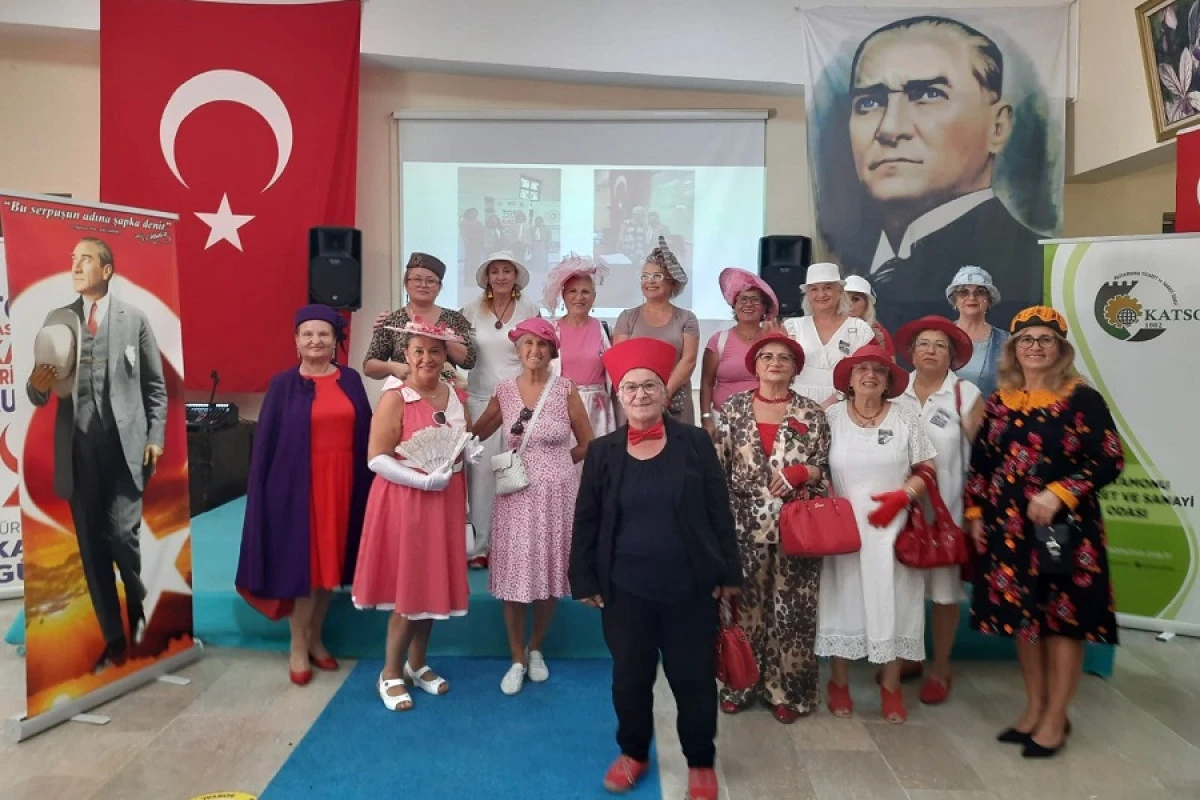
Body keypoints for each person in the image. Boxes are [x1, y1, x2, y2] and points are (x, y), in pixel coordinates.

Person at [571, 337, 740, 800]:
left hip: (691, 590)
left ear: (666, 393)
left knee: (693, 680)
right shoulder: (603, 450)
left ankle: (700, 762)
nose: (641, 394)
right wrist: (583, 578)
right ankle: (633, 753)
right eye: (631, 387)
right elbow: (586, 519)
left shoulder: (695, 442)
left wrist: (729, 574)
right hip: (624, 591)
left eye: (650, 386)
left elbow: (719, 510)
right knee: (629, 679)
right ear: (619, 396)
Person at [965, 306, 1123, 758]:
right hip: (1008, 530)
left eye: (1045, 340)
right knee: (1025, 622)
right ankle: (1035, 708)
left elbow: (1109, 457)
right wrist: (975, 514)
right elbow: (982, 463)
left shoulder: (1081, 398)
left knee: (1062, 622)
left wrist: (1060, 492)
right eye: (1026, 340)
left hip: (1064, 532)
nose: (1035, 347)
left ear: (1060, 349)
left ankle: (1056, 717)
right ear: (1014, 349)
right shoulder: (1000, 400)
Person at [845, 15, 1043, 331]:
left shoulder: (1035, 264)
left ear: (997, 126)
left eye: (928, 95)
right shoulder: (853, 263)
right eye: (869, 102)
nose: (890, 129)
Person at [27, 237, 167, 673]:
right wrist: (37, 385)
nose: (75, 266)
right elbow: (38, 390)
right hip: (78, 451)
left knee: (123, 538)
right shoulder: (57, 320)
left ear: (106, 271)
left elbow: (155, 388)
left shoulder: (134, 319)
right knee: (91, 547)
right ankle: (114, 639)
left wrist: (156, 436)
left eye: (85, 259)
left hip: (126, 449)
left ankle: (139, 607)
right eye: (72, 259)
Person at [237, 304, 373, 685]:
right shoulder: (283, 385)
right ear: (296, 341)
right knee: (306, 569)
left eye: (323, 334)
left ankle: (315, 638)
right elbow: (265, 446)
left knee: (330, 569)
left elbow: (366, 431)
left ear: (334, 340)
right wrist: (263, 494)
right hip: (299, 488)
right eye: (308, 334)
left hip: (344, 485)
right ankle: (298, 645)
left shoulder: (351, 380)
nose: (316, 340)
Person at [351, 319, 483, 711]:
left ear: (445, 357)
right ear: (406, 356)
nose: (427, 358)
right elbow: (376, 458)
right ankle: (390, 672)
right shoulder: (395, 397)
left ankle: (417, 663)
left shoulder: (456, 395)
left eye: (435, 351)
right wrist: (422, 481)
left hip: (445, 501)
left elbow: (459, 442)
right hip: (405, 501)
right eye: (419, 351)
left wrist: (465, 457)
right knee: (409, 590)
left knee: (431, 586)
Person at [712, 334, 830, 723]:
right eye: (766, 356)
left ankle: (789, 693)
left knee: (794, 613)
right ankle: (740, 685)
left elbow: (825, 470)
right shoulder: (733, 408)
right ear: (755, 365)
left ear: (796, 368)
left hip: (798, 527)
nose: (775, 362)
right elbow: (717, 471)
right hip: (742, 525)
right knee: (742, 609)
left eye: (784, 357)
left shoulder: (811, 413)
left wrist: (805, 471)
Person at [471, 319, 593, 694]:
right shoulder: (505, 390)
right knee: (513, 576)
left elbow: (588, 442)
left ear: (552, 351)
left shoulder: (565, 389)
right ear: (518, 350)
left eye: (542, 345)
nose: (534, 351)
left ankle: (536, 647)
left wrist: (559, 464)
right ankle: (516, 658)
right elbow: (478, 432)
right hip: (515, 494)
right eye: (527, 344)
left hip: (556, 496)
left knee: (549, 574)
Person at [816, 344, 935, 724]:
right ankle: (838, 682)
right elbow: (814, 464)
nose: (870, 375)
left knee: (894, 602)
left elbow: (927, 468)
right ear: (849, 379)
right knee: (843, 600)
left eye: (879, 371)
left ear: (888, 381)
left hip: (893, 529)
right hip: (843, 529)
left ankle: (891, 685)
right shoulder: (830, 417)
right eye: (862, 369)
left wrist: (904, 496)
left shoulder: (906, 417)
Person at [894, 315, 984, 704]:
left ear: (952, 355)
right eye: (924, 344)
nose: (931, 351)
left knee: (944, 593)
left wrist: (977, 512)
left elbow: (984, 458)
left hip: (948, 511)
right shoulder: (895, 390)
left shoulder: (965, 394)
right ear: (911, 352)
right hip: (900, 510)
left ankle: (941, 667)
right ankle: (907, 658)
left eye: (940, 345)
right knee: (904, 588)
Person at [461, 252, 541, 568]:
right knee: (481, 476)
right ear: (487, 277)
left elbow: (539, 353)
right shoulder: (470, 310)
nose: (501, 276)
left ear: (516, 276)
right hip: (480, 400)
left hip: (520, 402)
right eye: (495, 271)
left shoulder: (530, 308)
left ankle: (514, 548)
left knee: (517, 476)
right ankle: (480, 548)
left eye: (507, 271)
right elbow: (459, 353)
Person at [613, 237, 700, 424]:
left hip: (675, 401)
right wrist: (644, 395)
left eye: (657, 276)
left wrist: (663, 395)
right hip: (635, 402)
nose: (650, 281)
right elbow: (619, 362)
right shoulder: (627, 317)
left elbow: (688, 361)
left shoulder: (687, 318)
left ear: (672, 282)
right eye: (645, 276)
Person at [364, 252, 477, 386]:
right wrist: (393, 367)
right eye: (417, 279)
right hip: (403, 392)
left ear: (439, 287)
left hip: (445, 392)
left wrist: (443, 338)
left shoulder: (454, 318)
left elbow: (469, 361)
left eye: (430, 281)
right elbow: (368, 366)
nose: (423, 285)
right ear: (406, 284)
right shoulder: (392, 320)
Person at [543, 253, 617, 444]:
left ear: (594, 296)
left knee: (597, 459)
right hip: (561, 410)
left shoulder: (605, 329)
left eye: (585, 291)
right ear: (563, 295)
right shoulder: (550, 330)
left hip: (598, 412)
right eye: (573, 291)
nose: (579, 297)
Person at [781, 262, 875, 406]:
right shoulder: (792, 327)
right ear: (807, 294)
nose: (821, 294)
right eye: (814, 289)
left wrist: (834, 400)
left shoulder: (860, 329)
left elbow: (866, 371)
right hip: (797, 404)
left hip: (845, 403)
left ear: (840, 291)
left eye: (827, 288)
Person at [699, 267, 778, 436]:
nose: (748, 304)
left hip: (766, 420)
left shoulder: (773, 341)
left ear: (764, 308)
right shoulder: (719, 340)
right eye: (743, 299)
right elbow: (706, 383)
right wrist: (706, 418)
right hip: (723, 421)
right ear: (734, 306)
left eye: (755, 300)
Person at [946, 266, 1009, 398]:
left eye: (980, 292)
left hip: (989, 410)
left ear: (989, 300)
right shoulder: (941, 335)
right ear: (955, 300)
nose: (972, 297)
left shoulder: (1006, 340)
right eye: (963, 292)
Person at [845, 274, 894, 353]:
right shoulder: (827, 328)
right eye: (844, 299)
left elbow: (889, 359)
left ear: (867, 304)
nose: (849, 304)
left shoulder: (878, 332)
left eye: (855, 299)